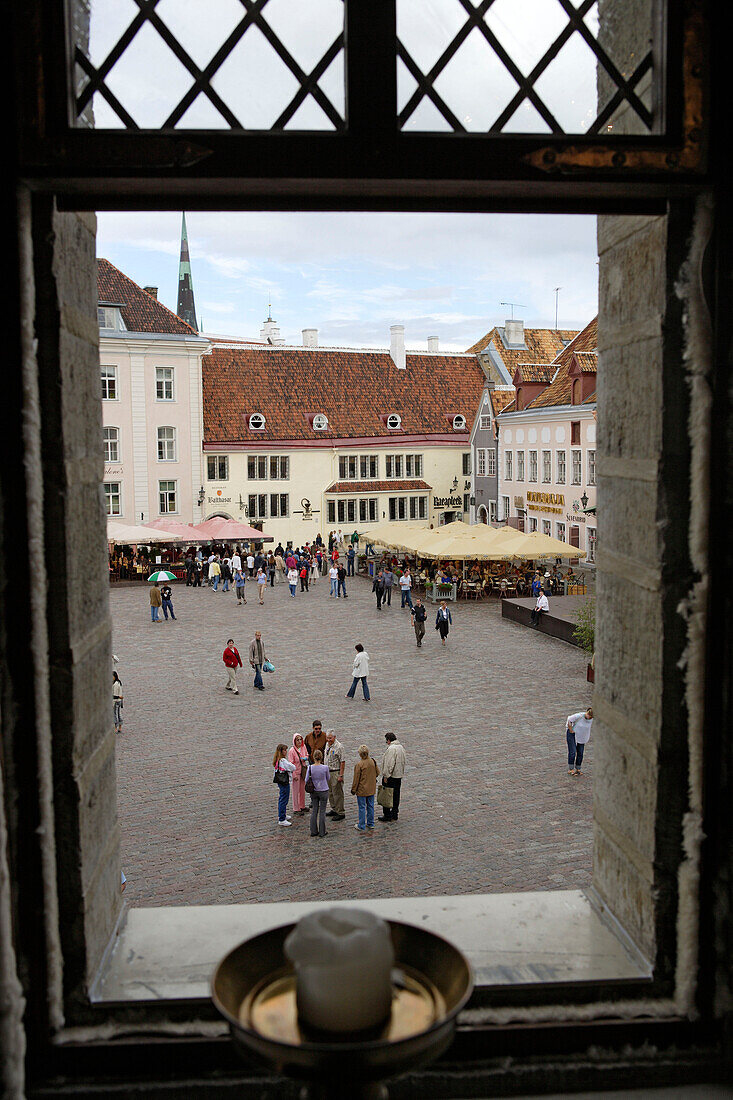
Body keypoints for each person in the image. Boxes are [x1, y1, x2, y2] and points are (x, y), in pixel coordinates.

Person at [351, 745, 380, 832]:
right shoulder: (372, 761)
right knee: (371, 806)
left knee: (362, 807)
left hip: (362, 789)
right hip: (371, 788)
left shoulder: (359, 764)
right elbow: (377, 773)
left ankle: (361, 825)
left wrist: (353, 789)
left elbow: (356, 779)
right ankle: (371, 823)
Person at [379, 732, 406, 821]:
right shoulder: (401, 747)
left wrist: (386, 776)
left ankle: (387, 815)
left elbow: (389, 764)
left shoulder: (391, 749)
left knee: (387, 795)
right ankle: (395, 813)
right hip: (399, 776)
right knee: (396, 795)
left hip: (391, 776)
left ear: (389, 740)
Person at [305, 750, 330, 838]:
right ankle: (322, 831)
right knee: (322, 811)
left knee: (314, 810)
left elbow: (306, 779)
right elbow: (328, 778)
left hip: (314, 791)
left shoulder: (310, 768)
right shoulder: (325, 767)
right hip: (323, 790)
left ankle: (313, 831)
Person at [324, 730, 345, 821]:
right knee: (330, 792)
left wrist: (341, 775)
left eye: (330, 738)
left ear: (334, 737)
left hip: (335, 771)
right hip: (328, 771)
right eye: (327, 738)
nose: (328, 740)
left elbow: (342, 761)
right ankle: (334, 808)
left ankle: (340, 812)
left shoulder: (339, 747)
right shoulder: (327, 745)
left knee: (337, 793)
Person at [273, 743, 295, 826]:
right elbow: (292, 767)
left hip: (280, 781)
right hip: (284, 782)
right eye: (285, 750)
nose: (286, 751)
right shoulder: (283, 761)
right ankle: (282, 818)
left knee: (282, 798)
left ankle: (282, 815)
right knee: (284, 799)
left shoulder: (277, 760)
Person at [566, 707, 593, 776]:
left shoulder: (591, 719)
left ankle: (578, 768)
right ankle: (571, 769)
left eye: (591, 717)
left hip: (582, 735)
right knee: (573, 751)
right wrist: (570, 729)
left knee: (580, 752)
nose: (589, 718)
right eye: (589, 716)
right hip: (572, 733)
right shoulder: (579, 716)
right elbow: (569, 719)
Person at [287, 734, 310, 815]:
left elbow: (307, 754)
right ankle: (296, 808)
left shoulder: (303, 747)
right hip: (296, 772)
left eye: (300, 739)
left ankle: (302, 805)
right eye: (297, 740)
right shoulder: (292, 751)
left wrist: (306, 758)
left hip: (303, 771)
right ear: (294, 741)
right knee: (295, 791)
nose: (299, 741)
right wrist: (294, 775)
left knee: (302, 790)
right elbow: (290, 764)